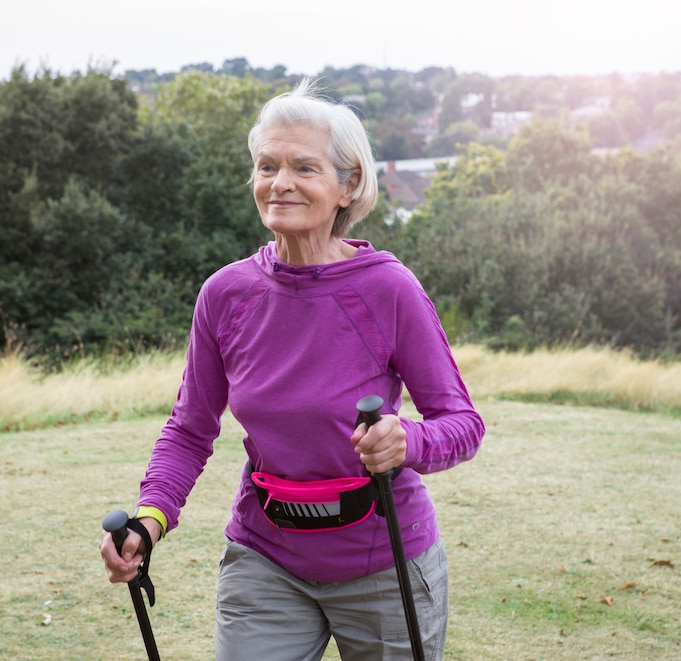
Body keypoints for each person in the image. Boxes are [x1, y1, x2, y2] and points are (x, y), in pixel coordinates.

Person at [99, 78, 484, 660]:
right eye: (267, 165)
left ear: (347, 185)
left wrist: (406, 441)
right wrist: (150, 520)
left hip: (384, 560)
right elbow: (189, 429)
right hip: (266, 558)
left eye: (304, 167)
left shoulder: (388, 290)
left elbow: (462, 422)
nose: (280, 183)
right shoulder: (225, 295)